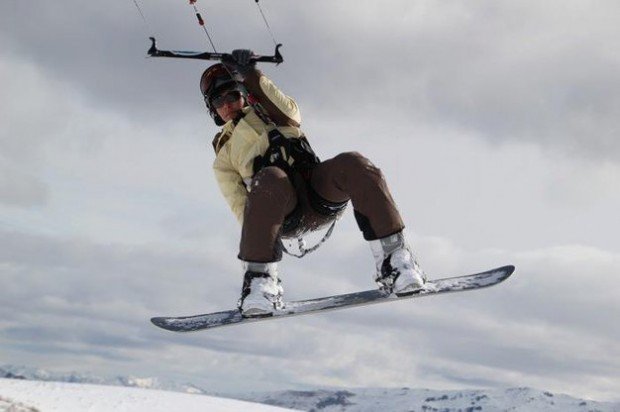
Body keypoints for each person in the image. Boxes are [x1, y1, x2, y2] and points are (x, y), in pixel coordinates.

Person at [201, 50, 426, 317]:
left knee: (353, 163)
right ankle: (260, 283)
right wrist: (261, 240)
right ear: (212, 109)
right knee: (270, 178)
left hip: (316, 191)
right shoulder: (224, 156)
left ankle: (395, 261)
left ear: (242, 94)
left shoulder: (268, 109)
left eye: (232, 95)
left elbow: (291, 112)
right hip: (282, 210)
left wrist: (251, 75)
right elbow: (241, 206)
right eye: (218, 101)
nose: (227, 104)